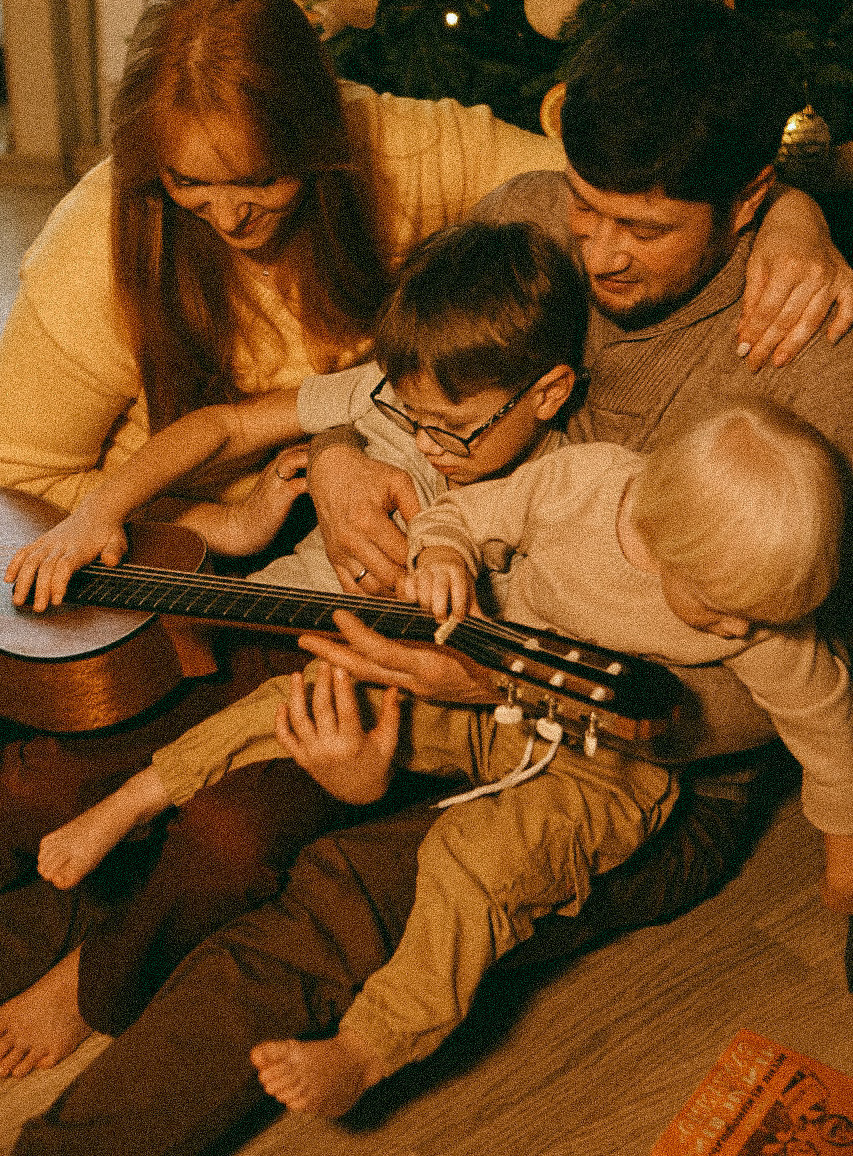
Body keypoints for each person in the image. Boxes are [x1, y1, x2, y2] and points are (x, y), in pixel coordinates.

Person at [6, 0, 853, 1154]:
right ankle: (85, 936)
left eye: (642, 231)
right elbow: (391, 392)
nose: (596, 252)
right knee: (104, 758)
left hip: (633, 747)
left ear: (751, 197)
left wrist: (483, 696)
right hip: (430, 614)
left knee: (333, 899)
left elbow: (774, 691)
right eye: (587, 209)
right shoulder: (533, 217)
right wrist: (345, 461)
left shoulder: (814, 359)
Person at [0, 219, 584, 1069]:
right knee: (42, 777)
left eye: (451, 430)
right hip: (251, 631)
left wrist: (372, 772)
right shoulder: (391, 392)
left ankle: (98, 986)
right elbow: (226, 429)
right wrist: (103, 511)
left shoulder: (561, 487)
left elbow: (509, 679)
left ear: (547, 391)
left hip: (356, 700)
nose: (423, 445)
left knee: (231, 835)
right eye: (406, 415)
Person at [250, 401, 853, 1118]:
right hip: (504, 692)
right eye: (727, 611)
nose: (741, 632)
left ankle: (368, 1048)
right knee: (311, 691)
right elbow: (462, 514)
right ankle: (139, 795)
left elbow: (833, 741)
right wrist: (442, 551)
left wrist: (841, 858)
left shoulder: (770, 633)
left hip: (616, 768)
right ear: (660, 537)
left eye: (762, 619)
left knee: (469, 862)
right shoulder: (583, 485)